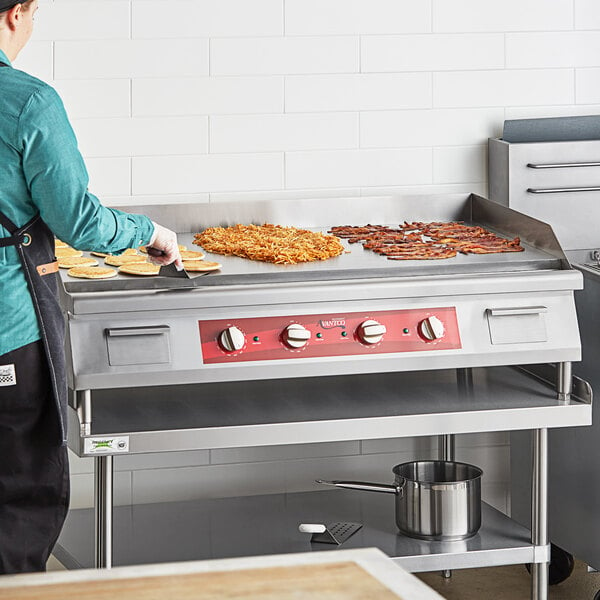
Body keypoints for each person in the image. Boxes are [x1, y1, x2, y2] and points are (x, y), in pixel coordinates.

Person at [0, 0, 182, 574]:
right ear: (16, 13)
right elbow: (77, 222)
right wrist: (147, 231)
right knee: (17, 496)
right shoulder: (28, 102)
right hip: (7, 333)